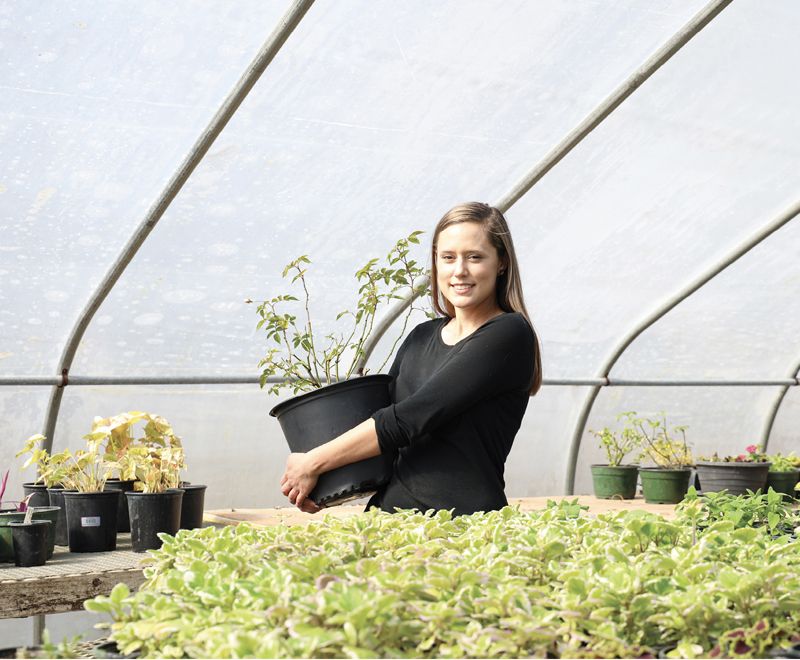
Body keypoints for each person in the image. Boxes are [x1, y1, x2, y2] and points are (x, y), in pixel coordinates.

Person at [280, 202, 542, 515]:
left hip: (462, 527)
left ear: (501, 263)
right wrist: (324, 486)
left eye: (475, 257)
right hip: (388, 520)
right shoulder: (421, 336)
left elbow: (409, 419)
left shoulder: (509, 334)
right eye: (448, 258)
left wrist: (312, 462)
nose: (459, 270)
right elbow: (380, 429)